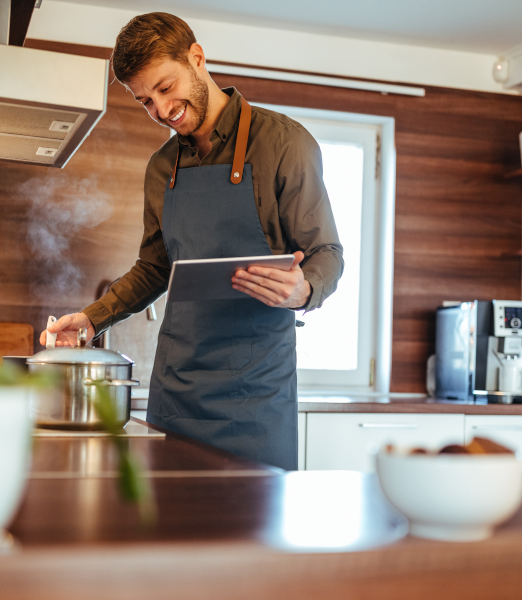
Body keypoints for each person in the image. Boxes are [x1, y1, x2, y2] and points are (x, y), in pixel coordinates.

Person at [41, 12, 343, 470]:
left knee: (252, 534)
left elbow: (327, 253)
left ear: (197, 58)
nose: (161, 111)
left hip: (255, 398)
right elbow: (155, 269)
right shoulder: (162, 167)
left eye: (165, 88)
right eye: (146, 102)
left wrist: (305, 289)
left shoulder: (284, 144)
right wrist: (89, 320)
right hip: (177, 392)